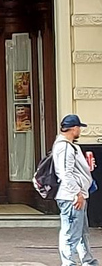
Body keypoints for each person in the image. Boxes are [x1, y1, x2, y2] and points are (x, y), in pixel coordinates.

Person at [53, 114, 98, 266]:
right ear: (73, 128)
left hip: (76, 195)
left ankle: (88, 261)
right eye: (78, 127)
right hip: (71, 197)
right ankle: (69, 263)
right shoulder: (64, 147)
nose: (80, 130)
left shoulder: (70, 146)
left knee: (81, 232)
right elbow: (65, 173)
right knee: (71, 233)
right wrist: (76, 194)